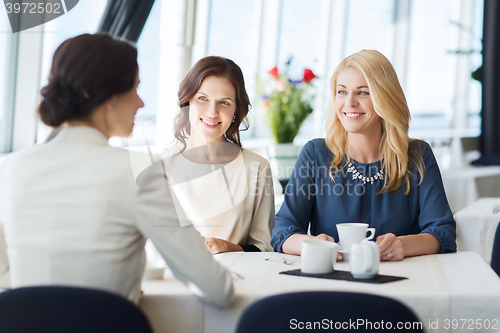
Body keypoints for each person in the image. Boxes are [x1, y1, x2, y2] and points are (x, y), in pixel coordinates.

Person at [0, 34, 234, 307]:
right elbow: (217, 290)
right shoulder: (139, 171)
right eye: (135, 89)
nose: (141, 103)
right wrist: (116, 295)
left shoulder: (11, 167)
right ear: (109, 97)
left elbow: (4, 277)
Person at [271, 50, 456, 261]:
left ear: (385, 97)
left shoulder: (418, 155)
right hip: (333, 280)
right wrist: (310, 244)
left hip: (403, 282)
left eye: (362, 92)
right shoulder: (316, 154)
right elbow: (283, 229)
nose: (349, 102)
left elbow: (443, 232)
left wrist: (402, 245)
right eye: (342, 92)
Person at [162, 56, 275, 254]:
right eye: (202, 99)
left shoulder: (256, 167)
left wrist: (228, 247)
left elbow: (264, 247)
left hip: (240, 280)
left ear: (235, 111)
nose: (212, 112)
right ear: (188, 101)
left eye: (224, 102)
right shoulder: (161, 167)